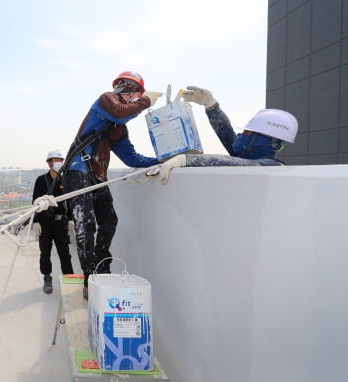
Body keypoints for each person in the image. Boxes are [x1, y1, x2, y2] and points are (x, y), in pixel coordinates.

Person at [63, 71, 162, 300]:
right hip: (78, 171)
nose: (136, 101)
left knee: (109, 220)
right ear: (128, 89)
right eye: (137, 95)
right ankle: (90, 279)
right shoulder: (106, 100)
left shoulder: (118, 127)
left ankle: (101, 266)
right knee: (85, 226)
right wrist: (146, 101)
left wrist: (163, 160)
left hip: (97, 177)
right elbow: (120, 112)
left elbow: (132, 158)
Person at [149, 86, 299, 184]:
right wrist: (211, 106)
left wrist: (185, 160)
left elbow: (236, 163)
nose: (241, 135)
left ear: (266, 140)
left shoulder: (271, 166)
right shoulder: (249, 155)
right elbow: (228, 136)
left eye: (247, 132)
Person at [32, 149, 74, 294]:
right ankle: (47, 277)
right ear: (49, 163)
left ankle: (69, 278)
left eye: (59, 160)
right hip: (45, 223)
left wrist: (71, 219)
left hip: (60, 223)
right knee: (45, 252)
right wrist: (35, 221)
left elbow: (69, 201)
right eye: (54, 160)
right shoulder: (41, 180)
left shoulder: (65, 180)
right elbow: (35, 202)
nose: (57, 163)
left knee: (65, 253)